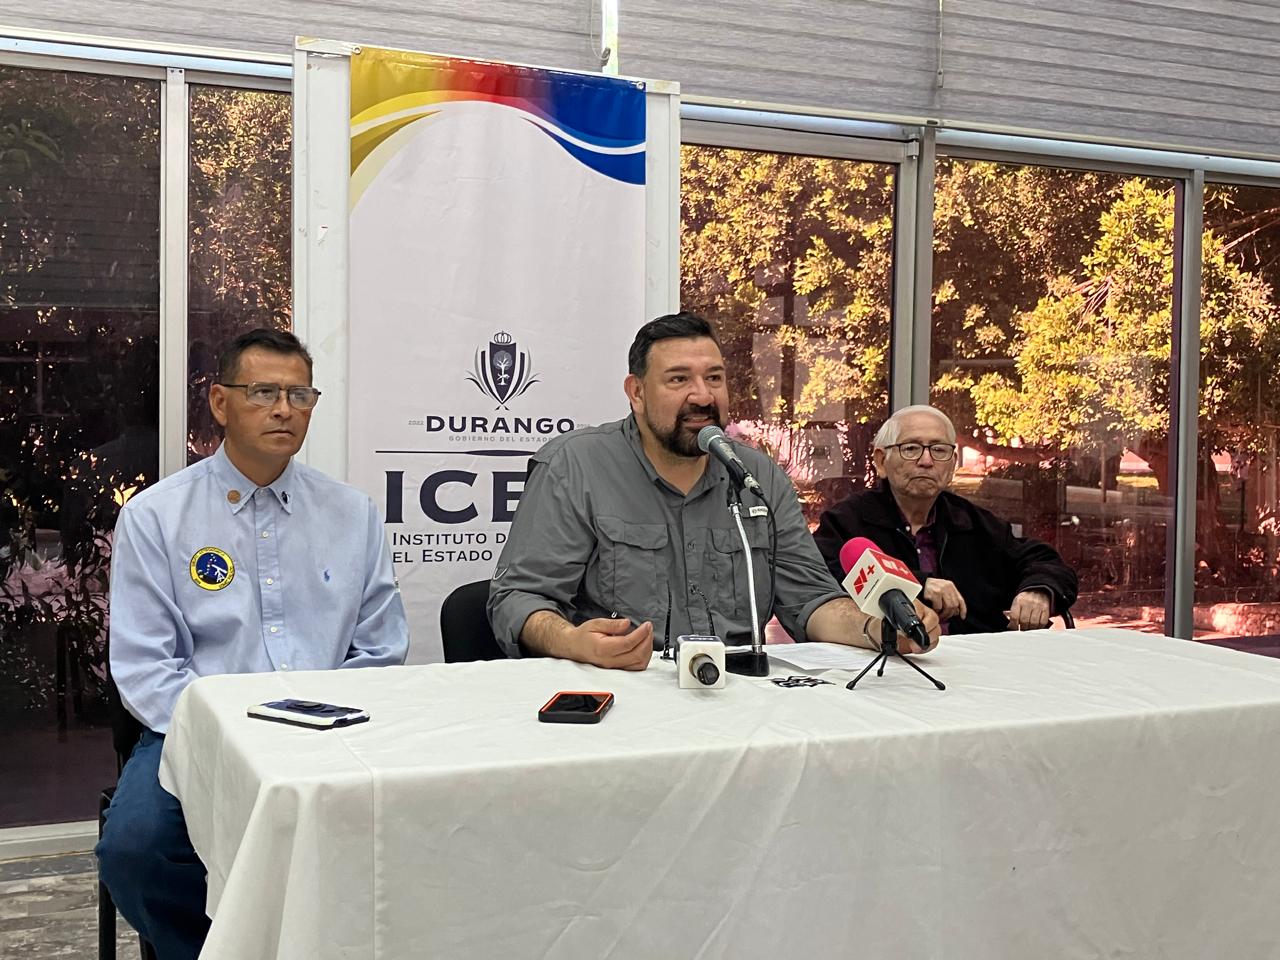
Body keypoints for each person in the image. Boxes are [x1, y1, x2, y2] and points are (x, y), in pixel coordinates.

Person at [96, 328, 409, 960]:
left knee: (414, 824)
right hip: (198, 735)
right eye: (263, 392)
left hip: (334, 729)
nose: (284, 410)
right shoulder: (156, 516)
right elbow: (147, 666)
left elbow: (380, 648)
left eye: (299, 395)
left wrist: (323, 721)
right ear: (220, 402)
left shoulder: (353, 514)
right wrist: (239, 738)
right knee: (136, 849)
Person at [487, 312, 940, 668]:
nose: (703, 396)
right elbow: (518, 598)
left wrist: (877, 629)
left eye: (715, 378)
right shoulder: (575, 466)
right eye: (679, 379)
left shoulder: (757, 475)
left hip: (738, 692)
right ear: (636, 392)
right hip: (626, 690)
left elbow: (810, 600)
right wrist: (573, 642)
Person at [813, 404, 1078, 634]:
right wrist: (918, 584)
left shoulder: (973, 522)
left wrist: (1039, 590)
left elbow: (1044, 561)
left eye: (939, 450)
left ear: (952, 464)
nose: (926, 461)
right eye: (911, 448)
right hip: (889, 658)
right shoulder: (846, 522)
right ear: (881, 461)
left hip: (974, 659)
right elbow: (823, 581)